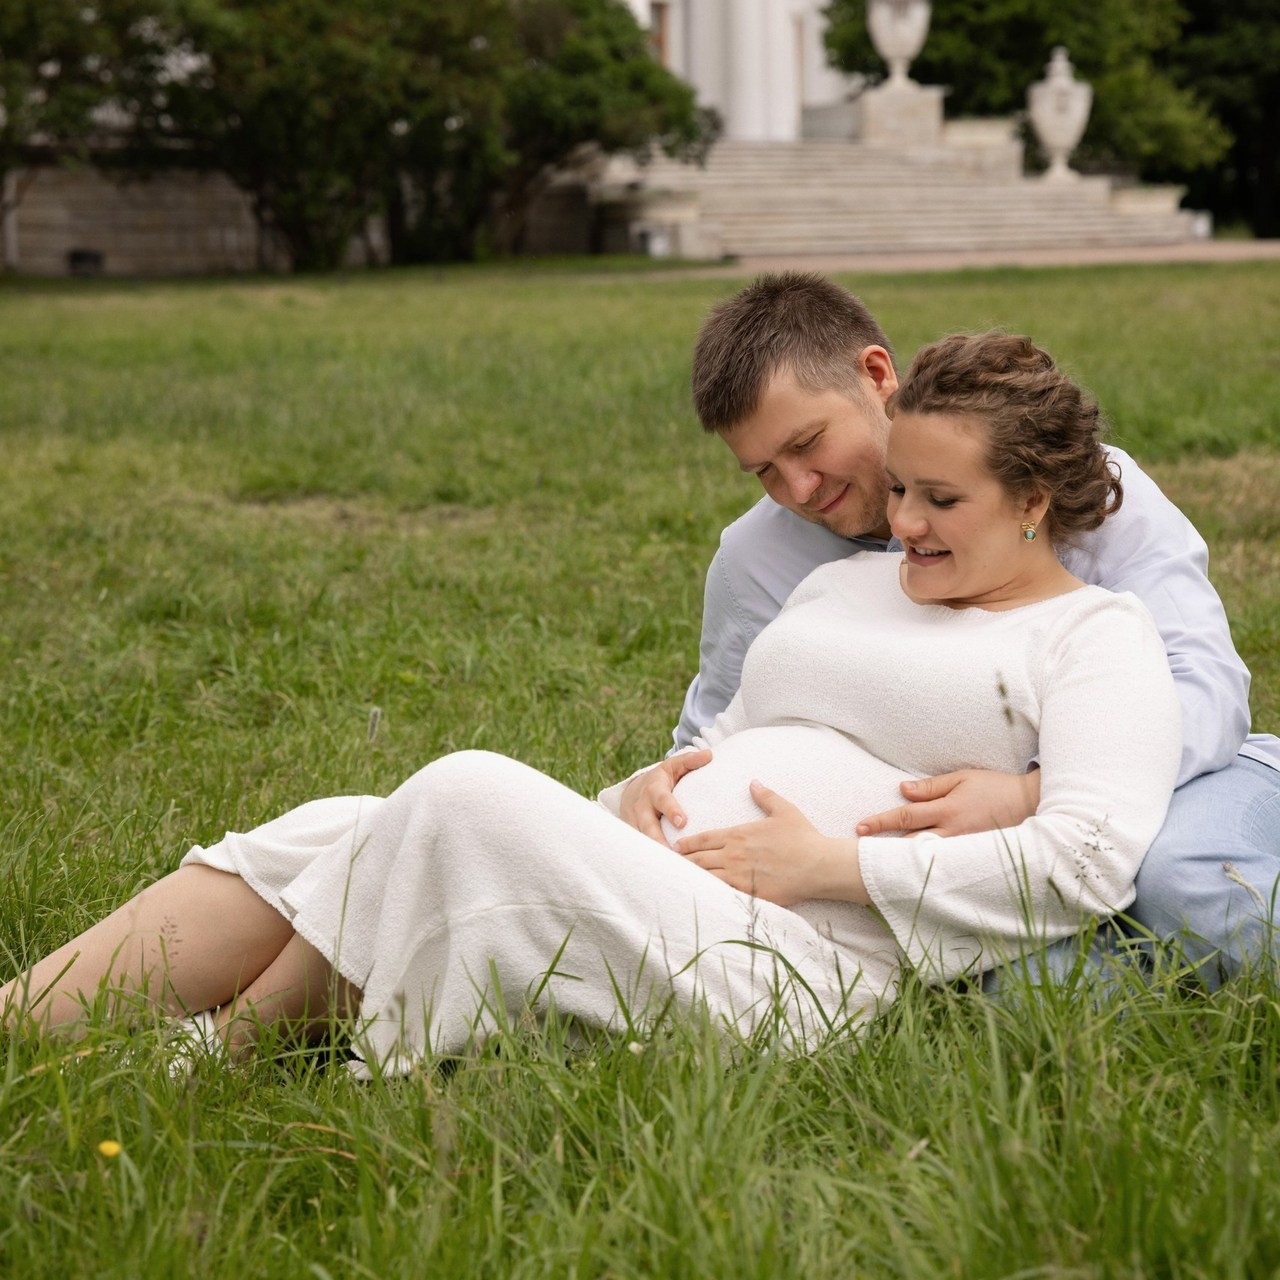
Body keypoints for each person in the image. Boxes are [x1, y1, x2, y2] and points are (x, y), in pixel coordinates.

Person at [1, 332, 1181, 1075]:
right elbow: (723, 740)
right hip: (678, 885)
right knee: (344, 820)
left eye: (937, 498)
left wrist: (827, 867)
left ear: (1030, 497)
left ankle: (217, 1053)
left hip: (803, 970)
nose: (900, 519)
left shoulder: (1091, 637)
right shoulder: (842, 578)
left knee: (461, 790)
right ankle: (22, 1021)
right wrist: (632, 797)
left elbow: (1090, 859)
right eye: (901, 488)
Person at [624, 272, 1280, 987]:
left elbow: (1205, 682)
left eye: (808, 444)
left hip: (1169, 773)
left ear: (876, 376)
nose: (800, 490)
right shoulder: (759, 559)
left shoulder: (1070, 486)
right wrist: (651, 787)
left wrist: (1029, 793)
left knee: (1191, 886)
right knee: (1024, 981)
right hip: (942, 849)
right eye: (765, 473)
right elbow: (719, 723)